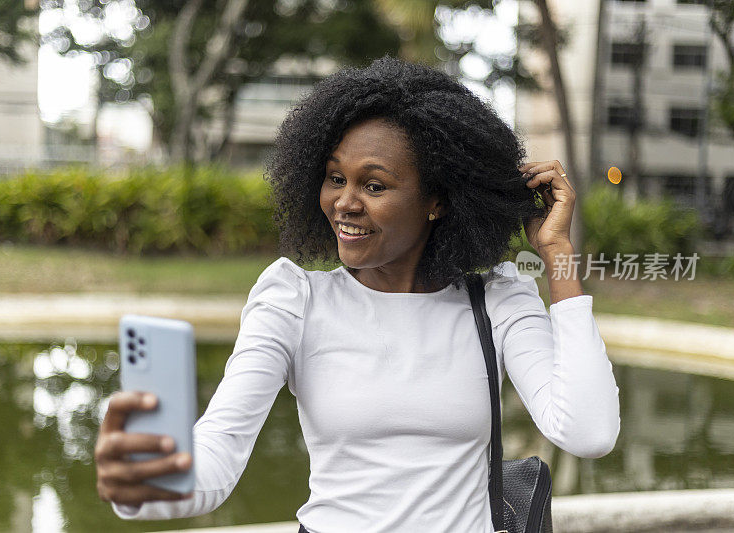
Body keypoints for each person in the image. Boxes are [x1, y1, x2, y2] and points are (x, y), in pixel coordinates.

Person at [94, 56, 620, 532]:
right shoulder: (294, 300)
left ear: (436, 200)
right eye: (333, 178)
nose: (344, 203)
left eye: (374, 185)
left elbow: (588, 432)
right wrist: (146, 479)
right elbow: (218, 458)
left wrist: (556, 252)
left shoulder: (498, 300)